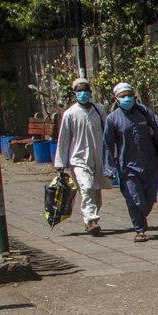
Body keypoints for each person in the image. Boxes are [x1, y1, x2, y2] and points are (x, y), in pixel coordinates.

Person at [102, 80, 158, 242]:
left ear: (134, 96)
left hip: (150, 163)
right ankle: (140, 230)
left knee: (149, 198)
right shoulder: (112, 119)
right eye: (122, 96)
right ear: (116, 98)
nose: (126, 99)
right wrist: (109, 168)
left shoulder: (144, 112)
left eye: (129, 95)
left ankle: (141, 217)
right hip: (127, 166)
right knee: (134, 199)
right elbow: (108, 145)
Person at [53, 78, 107, 235]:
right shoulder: (70, 114)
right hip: (79, 159)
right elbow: (63, 140)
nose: (83, 94)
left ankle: (90, 219)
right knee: (87, 187)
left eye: (85, 90)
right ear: (74, 93)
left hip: (98, 157)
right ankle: (91, 220)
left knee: (96, 193)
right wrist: (60, 163)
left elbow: (107, 132)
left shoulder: (99, 110)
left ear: (90, 93)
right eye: (79, 91)